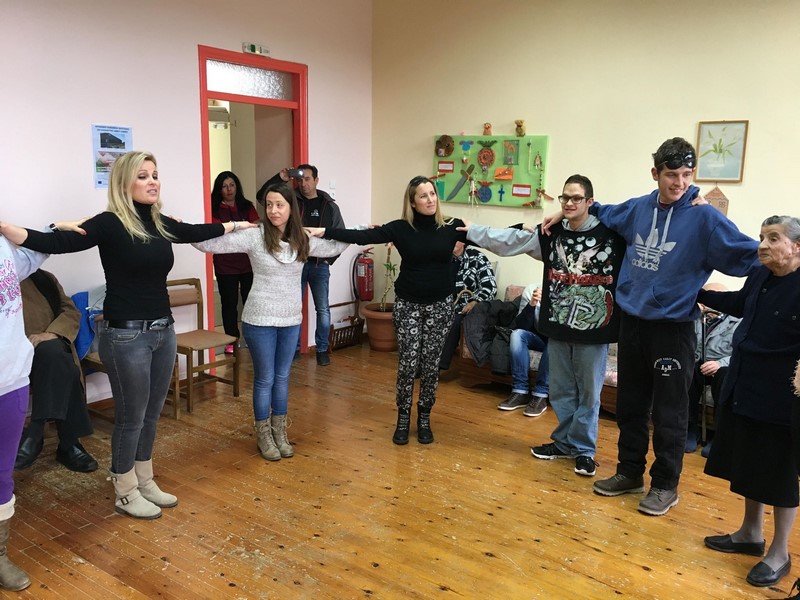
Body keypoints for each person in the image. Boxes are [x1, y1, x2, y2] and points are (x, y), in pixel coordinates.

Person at [0, 151, 256, 520]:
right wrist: (11, 230)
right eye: (143, 176)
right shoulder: (109, 223)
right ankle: (124, 490)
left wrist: (235, 226)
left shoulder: (159, 222)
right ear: (124, 182)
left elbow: (195, 232)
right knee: (131, 418)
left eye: (155, 174)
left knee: (151, 414)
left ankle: (144, 480)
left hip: (163, 331)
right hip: (126, 336)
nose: (153, 182)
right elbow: (56, 244)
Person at [541, 138, 758, 515]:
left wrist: (787, 255)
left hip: (673, 329)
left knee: (670, 413)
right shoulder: (638, 208)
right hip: (633, 324)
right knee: (630, 406)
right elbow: (601, 209)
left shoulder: (705, 218)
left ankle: (665, 485)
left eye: (687, 175)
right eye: (672, 175)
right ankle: (629, 472)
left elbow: (752, 254)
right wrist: (565, 211)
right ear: (655, 173)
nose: (680, 183)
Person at [466, 174, 624, 477]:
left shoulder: (611, 234)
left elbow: (635, 218)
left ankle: (584, 451)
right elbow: (510, 241)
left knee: (588, 395)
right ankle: (564, 444)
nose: (569, 203)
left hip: (595, 331)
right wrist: (473, 231)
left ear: (590, 202)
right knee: (561, 392)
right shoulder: (551, 233)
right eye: (565, 197)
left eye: (576, 198)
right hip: (558, 327)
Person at [193, 183, 348, 461]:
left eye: (280, 205)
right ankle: (263, 434)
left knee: (283, 377)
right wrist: (232, 225)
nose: (274, 211)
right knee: (265, 378)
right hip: (259, 319)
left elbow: (337, 245)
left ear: (291, 208)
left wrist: (338, 230)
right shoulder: (255, 235)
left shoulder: (303, 239)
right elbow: (206, 243)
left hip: (291, 320)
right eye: (269, 205)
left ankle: (280, 431)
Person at [307, 175, 467, 445]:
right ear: (413, 202)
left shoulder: (452, 226)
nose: (430, 199)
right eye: (423, 195)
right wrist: (325, 231)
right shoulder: (401, 228)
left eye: (433, 194)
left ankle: (424, 418)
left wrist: (526, 230)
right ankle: (403, 418)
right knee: (408, 365)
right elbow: (361, 236)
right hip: (408, 305)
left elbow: (492, 237)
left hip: (440, 306)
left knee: (430, 366)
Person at [700, 215, 800, 588]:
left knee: (780, 474)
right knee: (749, 463)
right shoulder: (760, 274)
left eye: (773, 238)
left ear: (797, 247)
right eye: (761, 237)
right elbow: (741, 303)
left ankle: (779, 553)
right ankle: (750, 533)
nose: (762, 245)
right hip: (745, 384)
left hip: (784, 397)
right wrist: (699, 294)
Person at [259, 165, 345, 366]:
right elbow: (262, 197)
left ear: (316, 180)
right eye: (300, 179)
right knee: (293, 307)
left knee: (322, 309)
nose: (303, 183)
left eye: (307, 179)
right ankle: (294, 349)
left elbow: (340, 233)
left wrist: (328, 259)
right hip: (295, 264)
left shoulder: (329, 205)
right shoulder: (291, 200)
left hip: (319, 266)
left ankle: (322, 349)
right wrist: (280, 178)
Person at [0, 235, 48, 592]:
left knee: (2, 474)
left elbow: (32, 253)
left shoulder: (4, 247)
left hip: (11, 378)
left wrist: (55, 230)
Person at [15, 269, 98, 473]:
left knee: (54, 355)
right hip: (10, 355)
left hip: (47, 350)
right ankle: (69, 443)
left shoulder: (42, 278)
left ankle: (35, 432)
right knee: (63, 365)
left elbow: (70, 311)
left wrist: (52, 333)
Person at [685, 282, 740, 455]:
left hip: (723, 368)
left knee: (724, 377)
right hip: (698, 365)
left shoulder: (738, 321)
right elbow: (686, 344)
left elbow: (742, 353)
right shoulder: (694, 318)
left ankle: (719, 437)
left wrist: (720, 364)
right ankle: (690, 430)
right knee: (687, 372)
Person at [210, 171, 260, 354]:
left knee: (250, 302)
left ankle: (253, 338)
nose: (229, 189)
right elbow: (218, 231)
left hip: (248, 262)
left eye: (232, 185)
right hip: (225, 263)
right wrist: (240, 227)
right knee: (229, 304)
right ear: (219, 189)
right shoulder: (213, 208)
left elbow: (256, 227)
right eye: (224, 186)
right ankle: (231, 341)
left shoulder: (247, 205)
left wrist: (233, 229)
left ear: (237, 186)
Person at [438, 241, 497, 371]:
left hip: (466, 309)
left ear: (464, 241)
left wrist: (475, 301)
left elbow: (490, 288)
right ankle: (422, 362)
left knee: (455, 320)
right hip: (443, 305)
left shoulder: (477, 258)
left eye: (456, 239)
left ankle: (437, 366)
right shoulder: (441, 257)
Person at [496, 284, 550, 417]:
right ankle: (520, 391)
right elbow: (521, 325)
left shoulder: (569, 294)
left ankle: (541, 394)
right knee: (517, 334)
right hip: (537, 338)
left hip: (556, 342)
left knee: (554, 342)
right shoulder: (532, 289)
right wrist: (532, 304)